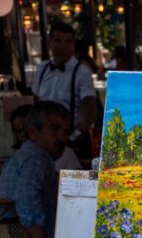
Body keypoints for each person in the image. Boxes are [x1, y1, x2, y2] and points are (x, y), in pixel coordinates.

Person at [0, 101, 69, 238]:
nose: (62, 138)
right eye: (54, 129)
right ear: (34, 133)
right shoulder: (37, 158)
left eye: (66, 132)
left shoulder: (23, 155)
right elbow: (27, 199)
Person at [31, 21, 96, 159]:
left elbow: (90, 111)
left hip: (71, 141)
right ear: (50, 43)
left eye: (68, 42)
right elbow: (36, 103)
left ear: (73, 44)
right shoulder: (41, 69)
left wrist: (73, 137)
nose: (63, 46)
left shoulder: (82, 72)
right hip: (44, 142)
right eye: (58, 41)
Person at [10, 103, 81, 172]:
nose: (23, 134)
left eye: (66, 132)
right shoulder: (25, 160)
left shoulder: (64, 152)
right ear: (33, 132)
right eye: (18, 131)